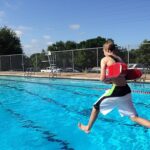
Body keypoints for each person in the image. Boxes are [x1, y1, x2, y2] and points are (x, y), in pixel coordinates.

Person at [78, 40, 150, 133]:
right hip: (126, 90)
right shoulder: (119, 59)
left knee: (96, 107)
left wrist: (107, 81)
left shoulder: (105, 59)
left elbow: (102, 78)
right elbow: (125, 75)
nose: (103, 53)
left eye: (103, 51)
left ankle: (87, 128)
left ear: (106, 49)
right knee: (134, 117)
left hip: (117, 90)